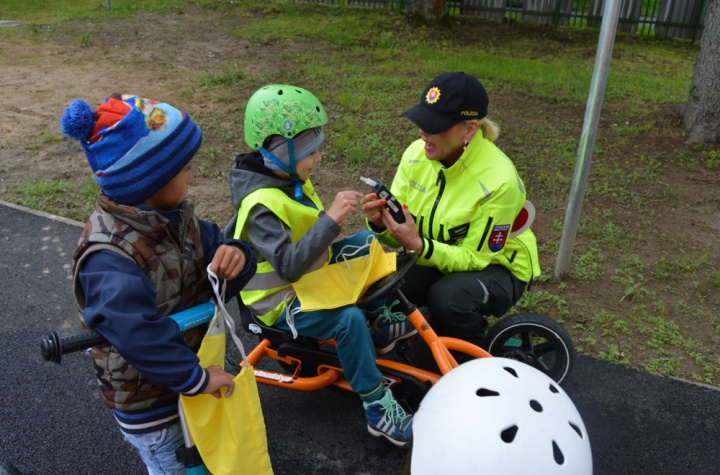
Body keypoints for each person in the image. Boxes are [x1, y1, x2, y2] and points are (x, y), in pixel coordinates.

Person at [59, 93, 257, 474]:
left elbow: (221, 263)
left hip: (191, 370)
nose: (192, 177)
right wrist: (194, 378)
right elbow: (134, 333)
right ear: (150, 180)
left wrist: (238, 255)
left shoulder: (178, 220)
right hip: (149, 400)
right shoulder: (108, 257)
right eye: (184, 169)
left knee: (209, 457)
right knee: (175, 466)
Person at [229, 84, 414, 447]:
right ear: (284, 150)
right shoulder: (261, 205)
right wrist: (330, 219)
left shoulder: (289, 179)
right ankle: (377, 407)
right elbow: (289, 266)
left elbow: (309, 244)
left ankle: (377, 329)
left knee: (367, 243)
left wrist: (347, 222)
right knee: (348, 320)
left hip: (307, 278)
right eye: (310, 152)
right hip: (280, 302)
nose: (317, 160)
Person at [361, 71, 541, 348]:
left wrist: (419, 245)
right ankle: (432, 329)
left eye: (434, 125)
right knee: (386, 284)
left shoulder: (499, 180)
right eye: (422, 121)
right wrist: (381, 224)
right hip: (436, 251)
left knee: (449, 298)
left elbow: (474, 259)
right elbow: (403, 232)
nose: (422, 132)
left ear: (469, 129)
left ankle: (471, 361)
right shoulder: (415, 154)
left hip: (497, 265)